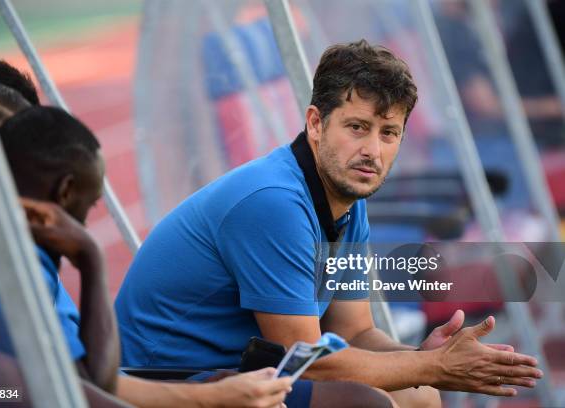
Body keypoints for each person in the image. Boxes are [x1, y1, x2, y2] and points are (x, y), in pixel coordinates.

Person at [115, 39, 544, 408]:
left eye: (388, 133)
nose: (372, 151)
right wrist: (432, 366)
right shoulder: (275, 204)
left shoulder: (348, 202)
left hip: (242, 368)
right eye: (357, 127)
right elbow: (308, 361)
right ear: (316, 123)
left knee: (420, 393)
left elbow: (354, 330)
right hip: (170, 379)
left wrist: (421, 358)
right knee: (365, 403)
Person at [0, 102, 294, 407]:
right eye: (88, 207)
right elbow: (69, 390)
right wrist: (90, 259)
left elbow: (73, 384)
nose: (84, 222)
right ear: (66, 190)